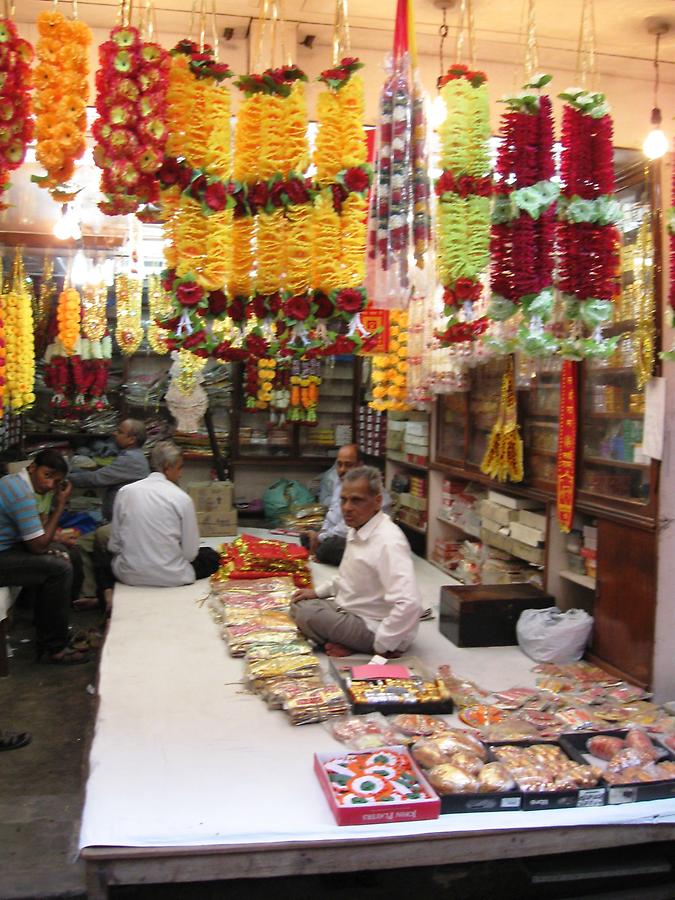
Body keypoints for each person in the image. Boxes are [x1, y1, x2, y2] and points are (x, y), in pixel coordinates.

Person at [291, 465, 423, 657]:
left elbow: (410, 604)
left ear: (377, 502)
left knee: (307, 616)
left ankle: (361, 645)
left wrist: (382, 645)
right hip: (351, 612)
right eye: (343, 500)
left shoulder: (388, 541)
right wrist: (317, 592)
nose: (347, 508)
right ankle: (349, 642)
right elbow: (349, 579)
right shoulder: (358, 528)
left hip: (375, 626)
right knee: (298, 603)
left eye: (356, 501)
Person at [94, 441, 220, 609]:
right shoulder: (181, 498)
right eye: (180, 468)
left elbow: (115, 544)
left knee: (103, 560)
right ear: (168, 467)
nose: (181, 474)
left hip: (129, 574)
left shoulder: (125, 492)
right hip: (173, 575)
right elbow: (190, 553)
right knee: (210, 556)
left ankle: (106, 594)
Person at [0, 449, 89, 664]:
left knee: (70, 555)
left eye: (55, 480)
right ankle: (54, 647)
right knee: (59, 568)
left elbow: (40, 531)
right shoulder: (20, 492)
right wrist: (60, 505)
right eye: (47, 476)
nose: (50, 485)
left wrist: (52, 542)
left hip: (10, 548)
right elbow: (39, 545)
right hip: (4, 553)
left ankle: (51, 628)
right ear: (32, 468)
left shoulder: (27, 486)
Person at [69, 419, 150, 608]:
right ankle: (92, 594)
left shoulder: (132, 459)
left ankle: (96, 594)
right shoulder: (128, 456)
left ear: (131, 439)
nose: (115, 434)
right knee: (83, 543)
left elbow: (99, 478)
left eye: (120, 432)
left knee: (88, 543)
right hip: (116, 522)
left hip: (123, 525)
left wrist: (66, 478)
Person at [302, 444, 393, 566]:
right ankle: (321, 549)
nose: (342, 470)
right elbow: (332, 513)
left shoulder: (366, 485)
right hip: (348, 532)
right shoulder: (342, 481)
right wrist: (321, 533)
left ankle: (322, 551)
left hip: (364, 538)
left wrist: (320, 538)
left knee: (329, 547)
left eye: (348, 465)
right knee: (306, 535)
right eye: (339, 464)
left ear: (360, 465)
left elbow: (347, 527)